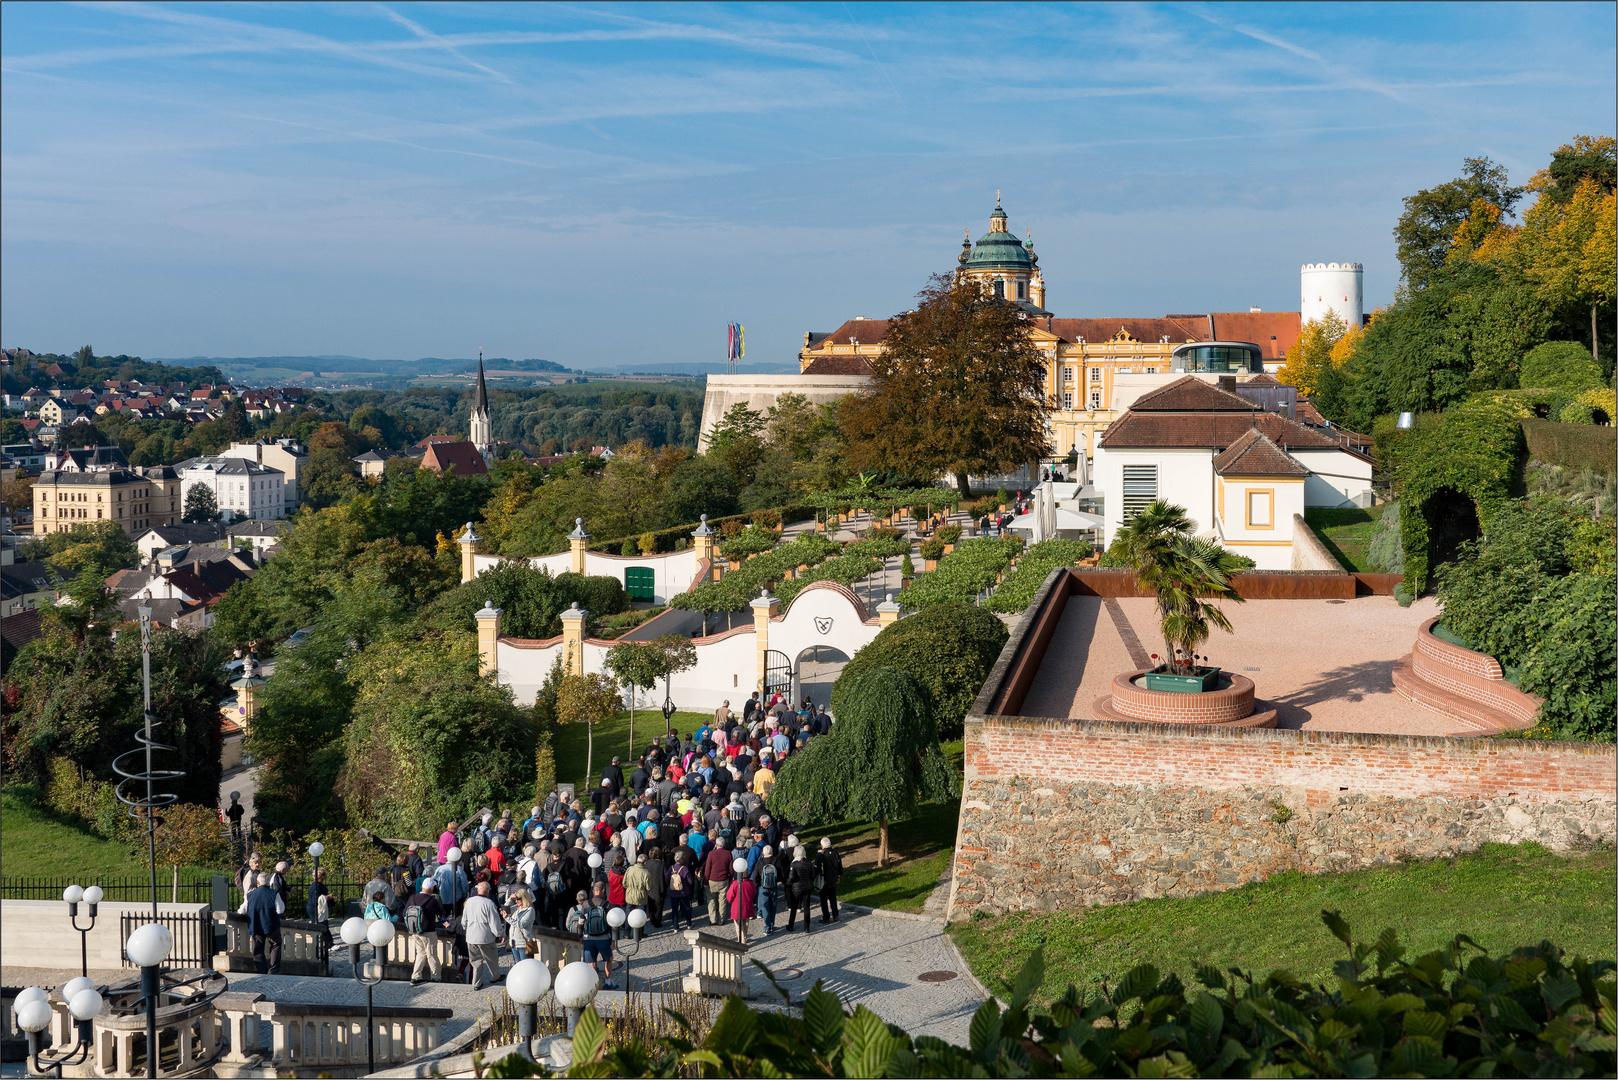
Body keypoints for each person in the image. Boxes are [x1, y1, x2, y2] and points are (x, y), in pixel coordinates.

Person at [569, 885, 618, 990]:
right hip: (604, 938)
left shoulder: (586, 904)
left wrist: (580, 936)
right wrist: (613, 940)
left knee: (591, 962)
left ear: (593, 891)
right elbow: (612, 924)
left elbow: (581, 922)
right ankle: (608, 982)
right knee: (608, 959)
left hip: (588, 938)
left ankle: (593, 984)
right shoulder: (607, 905)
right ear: (603, 890)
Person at [462, 882, 505, 990]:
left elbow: (464, 920)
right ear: (488, 890)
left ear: (477, 890)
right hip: (485, 936)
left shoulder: (469, 902)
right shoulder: (489, 903)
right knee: (491, 958)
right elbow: (494, 922)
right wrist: (500, 933)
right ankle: (495, 976)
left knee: (475, 961)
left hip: (471, 936)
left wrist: (467, 928)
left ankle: (476, 983)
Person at [403, 879, 446, 987]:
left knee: (421, 954)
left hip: (415, 931)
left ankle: (416, 977)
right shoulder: (432, 900)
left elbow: (404, 913)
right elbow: (441, 912)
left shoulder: (412, 898)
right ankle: (436, 977)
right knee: (432, 954)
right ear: (431, 888)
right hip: (429, 932)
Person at [245, 871, 284, 974]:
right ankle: (273, 970)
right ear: (268, 882)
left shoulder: (250, 895)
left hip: (255, 924)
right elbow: (280, 910)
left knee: (257, 949)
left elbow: (243, 910)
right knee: (276, 944)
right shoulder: (274, 893)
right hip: (271, 924)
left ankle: (261, 971)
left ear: (258, 882)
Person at [702, 838, 733, 928]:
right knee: (722, 900)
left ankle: (713, 920)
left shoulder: (711, 854)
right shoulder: (728, 853)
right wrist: (730, 880)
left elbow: (707, 869)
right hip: (724, 880)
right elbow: (731, 869)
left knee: (711, 900)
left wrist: (705, 881)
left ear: (716, 845)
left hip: (712, 880)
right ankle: (721, 920)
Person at [725, 858, 757, 944]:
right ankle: (744, 937)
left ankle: (742, 941)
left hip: (737, 907)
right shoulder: (750, 883)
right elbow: (754, 894)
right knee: (746, 923)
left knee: (738, 925)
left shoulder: (735, 884)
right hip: (747, 906)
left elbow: (729, 896)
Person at [785, 846, 815, 934]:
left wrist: (787, 882)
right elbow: (812, 876)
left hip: (796, 889)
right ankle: (807, 927)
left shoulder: (794, 864)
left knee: (794, 908)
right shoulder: (809, 863)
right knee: (807, 908)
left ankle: (790, 926)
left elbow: (792, 877)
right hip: (807, 888)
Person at [816, 837, 844, 924]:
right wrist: (838, 876)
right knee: (833, 897)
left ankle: (826, 917)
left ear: (822, 845)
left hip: (824, 880)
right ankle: (836, 915)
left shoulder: (821, 855)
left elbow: (817, 868)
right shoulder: (835, 853)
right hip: (833, 879)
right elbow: (839, 866)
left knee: (823, 899)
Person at [752, 845, 780, 935]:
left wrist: (757, 885)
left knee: (765, 907)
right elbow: (781, 874)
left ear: (763, 853)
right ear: (772, 853)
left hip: (763, 887)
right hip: (774, 886)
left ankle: (767, 927)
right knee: (773, 906)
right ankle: (771, 924)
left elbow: (755, 877)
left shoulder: (760, 863)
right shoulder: (776, 861)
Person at [666, 849, 696, 930]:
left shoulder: (671, 868)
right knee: (687, 908)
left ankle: (675, 926)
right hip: (684, 892)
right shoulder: (685, 869)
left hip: (673, 892)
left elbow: (667, 879)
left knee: (674, 910)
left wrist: (671, 886)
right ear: (682, 859)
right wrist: (688, 887)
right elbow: (690, 881)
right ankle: (689, 924)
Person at [505, 888, 536, 965]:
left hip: (523, 944)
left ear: (524, 898)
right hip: (514, 943)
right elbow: (504, 910)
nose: (516, 901)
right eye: (515, 899)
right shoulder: (516, 908)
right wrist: (509, 899)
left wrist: (507, 918)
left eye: (518, 899)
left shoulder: (530, 910)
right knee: (517, 966)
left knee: (524, 966)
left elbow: (520, 925)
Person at [305, 866, 332, 945]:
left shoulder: (317, 885)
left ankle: (325, 942)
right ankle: (328, 943)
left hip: (315, 907)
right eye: (324, 874)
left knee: (321, 924)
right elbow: (316, 899)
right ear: (321, 876)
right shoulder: (316, 886)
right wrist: (327, 897)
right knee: (322, 925)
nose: (325, 876)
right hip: (315, 908)